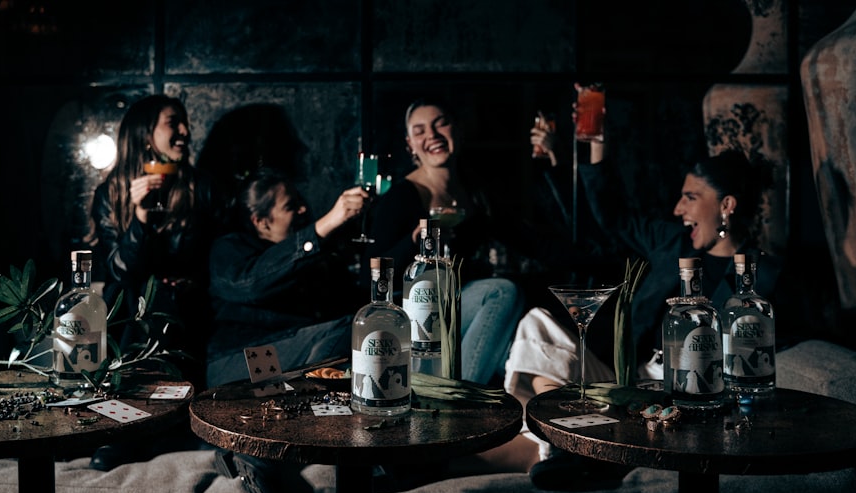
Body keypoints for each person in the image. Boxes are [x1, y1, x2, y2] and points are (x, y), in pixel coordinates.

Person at [493, 89, 783, 488]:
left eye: (690, 197)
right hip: (626, 376)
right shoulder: (670, 241)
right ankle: (568, 444)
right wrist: (595, 142)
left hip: (687, 395)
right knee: (537, 325)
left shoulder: (761, 276)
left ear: (727, 205)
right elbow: (614, 216)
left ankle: (584, 451)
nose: (679, 209)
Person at [364, 98, 544, 386]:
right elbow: (369, 274)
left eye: (440, 124)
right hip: (416, 319)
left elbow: (525, 240)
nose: (432, 136)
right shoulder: (401, 197)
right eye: (420, 131)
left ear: (456, 132)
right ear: (410, 144)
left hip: (459, 310)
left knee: (516, 341)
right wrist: (414, 241)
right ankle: (458, 397)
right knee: (500, 292)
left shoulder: (474, 192)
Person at [81, 94, 218, 471]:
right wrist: (139, 218)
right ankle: (138, 427)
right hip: (133, 308)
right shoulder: (110, 193)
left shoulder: (201, 187)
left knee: (164, 302)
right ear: (146, 134)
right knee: (135, 296)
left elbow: (216, 258)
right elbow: (121, 270)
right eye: (173, 122)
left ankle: (138, 430)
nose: (185, 132)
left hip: (190, 307)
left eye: (184, 122)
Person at [206, 168, 369, 388]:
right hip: (236, 363)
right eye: (291, 206)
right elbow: (251, 285)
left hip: (289, 356)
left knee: (367, 321)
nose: (303, 209)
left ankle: (310, 395)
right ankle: (312, 394)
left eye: (300, 202)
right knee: (352, 326)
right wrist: (324, 226)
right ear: (261, 221)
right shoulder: (229, 248)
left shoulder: (311, 259)